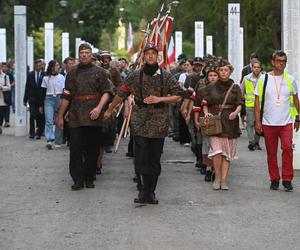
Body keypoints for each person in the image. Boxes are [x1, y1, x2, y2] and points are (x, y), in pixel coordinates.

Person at [104, 44, 183, 204]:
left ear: (158, 57)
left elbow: (178, 96)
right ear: (143, 57)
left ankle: (151, 191)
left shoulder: (166, 76)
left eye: (154, 53)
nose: (151, 56)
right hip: (139, 119)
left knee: (154, 158)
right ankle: (142, 190)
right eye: (148, 54)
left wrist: (160, 99)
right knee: (140, 158)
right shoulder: (135, 75)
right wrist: (110, 109)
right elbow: (121, 93)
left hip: (159, 121)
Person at [56, 43, 112, 190]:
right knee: (75, 148)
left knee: (92, 149)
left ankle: (89, 177)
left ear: (91, 54)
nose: (84, 55)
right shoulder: (72, 73)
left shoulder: (100, 72)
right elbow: (67, 95)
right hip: (75, 115)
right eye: (82, 53)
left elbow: (107, 92)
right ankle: (77, 179)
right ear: (79, 55)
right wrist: (60, 115)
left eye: (87, 52)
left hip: (94, 115)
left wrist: (99, 108)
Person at [254, 50, 299, 192]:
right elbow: (257, 102)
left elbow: (295, 100)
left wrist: (298, 117)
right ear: (273, 62)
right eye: (279, 61)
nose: (281, 63)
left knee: (287, 148)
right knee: (271, 152)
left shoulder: (291, 79)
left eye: (284, 61)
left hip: (285, 122)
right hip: (268, 122)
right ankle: (274, 178)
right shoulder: (263, 79)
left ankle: (287, 179)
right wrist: (257, 122)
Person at [202, 59, 243, 190]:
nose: (223, 72)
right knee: (216, 152)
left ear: (230, 72)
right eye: (221, 70)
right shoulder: (211, 86)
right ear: (218, 72)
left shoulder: (235, 87)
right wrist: (206, 112)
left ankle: (224, 180)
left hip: (231, 122)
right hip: (215, 121)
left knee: (227, 154)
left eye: (226, 70)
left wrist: (236, 112)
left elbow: (240, 104)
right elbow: (204, 102)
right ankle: (217, 178)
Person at [194, 66, 219, 182]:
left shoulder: (223, 90)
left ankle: (216, 169)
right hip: (205, 121)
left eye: (215, 75)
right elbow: (196, 107)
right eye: (210, 75)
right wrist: (196, 120)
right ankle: (208, 168)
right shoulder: (202, 91)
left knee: (218, 146)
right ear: (207, 77)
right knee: (206, 144)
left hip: (219, 120)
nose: (213, 77)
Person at [40, 60, 65, 149]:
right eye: (57, 65)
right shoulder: (45, 78)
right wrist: (41, 105)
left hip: (59, 98)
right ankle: (49, 139)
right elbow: (42, 92)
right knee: (49, 120)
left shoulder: (62, 77)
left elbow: (64, 90)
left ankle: (58, 140)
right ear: (52, 67)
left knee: (59, 119)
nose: (59, 67)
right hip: (48, 99)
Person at [241, 59, 262, 151]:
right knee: (250, 124)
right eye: (255, 67)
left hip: (261, 105)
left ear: (260, 68)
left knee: (259, 123)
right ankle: (251, 142)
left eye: (258, 67)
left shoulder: (264, 78)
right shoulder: (246, 78)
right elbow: (241, 91)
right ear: (251, 68)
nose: (256, 69)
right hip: (249, 104)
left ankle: (256, 142)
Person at [23, 59, 46, 139]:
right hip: (32, 99)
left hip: (42, 99)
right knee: (32, 115)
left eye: (40, 65)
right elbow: (27, 87)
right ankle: (31, 132)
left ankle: (39, 132)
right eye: (37, 66)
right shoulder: (30, 74)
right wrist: (25, 99)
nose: (39, 67)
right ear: (34, 66)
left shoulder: (45, 74)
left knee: (41, 116)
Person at [0, 63, 11, 135]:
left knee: (1, 113)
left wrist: (2, 88)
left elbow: (9, 87)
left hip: (2, 98)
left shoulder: (5, 76)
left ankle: (0, 125)